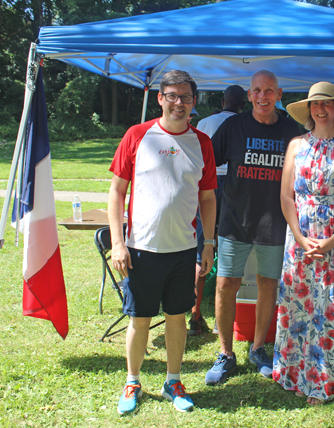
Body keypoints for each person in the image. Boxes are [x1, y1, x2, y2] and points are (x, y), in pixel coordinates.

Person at [108, 70, 217, 414]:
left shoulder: (202, 143)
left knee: (176, 317)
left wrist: (209, 243)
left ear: (194, 101)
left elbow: (209, 198)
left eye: (185, 97)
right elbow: (116, 192)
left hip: (183, 250)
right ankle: (132, 380)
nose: (178, 103)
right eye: (171, 95)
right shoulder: (138, 135)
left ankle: (173, 380)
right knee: (139, 319)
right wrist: (118, 242)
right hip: (141, 248)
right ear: (160, 98)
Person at [205, 70, 301, 385]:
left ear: (279, 94)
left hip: (274, 222)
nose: (263, 96)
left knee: (267, 285)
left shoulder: (292, 132)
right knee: (225, 285)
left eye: (269, 91)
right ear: (249, 95)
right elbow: (207, 164)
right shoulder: (232, 126)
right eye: (257, 90)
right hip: (234, 221)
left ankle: (259, 348)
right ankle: (226, 353)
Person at [273, 82, 334, 405]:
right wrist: (300, 237)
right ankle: (293, 374)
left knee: (333, 309)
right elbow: (286, 195)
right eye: (315, 104)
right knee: (299, 307)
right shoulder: (296, 145)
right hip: (301, 238)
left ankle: (329, 380)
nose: (321, 109)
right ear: (309, 110)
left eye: (327, 104)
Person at [188, 85, 247, 336]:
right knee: (234, 249)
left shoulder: (204, 123)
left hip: (206, 187)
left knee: (202, 251)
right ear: (244, 104)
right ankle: (235, 311)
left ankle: (195, 314)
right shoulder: (245, 123)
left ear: (223, 101)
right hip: (236, 186)